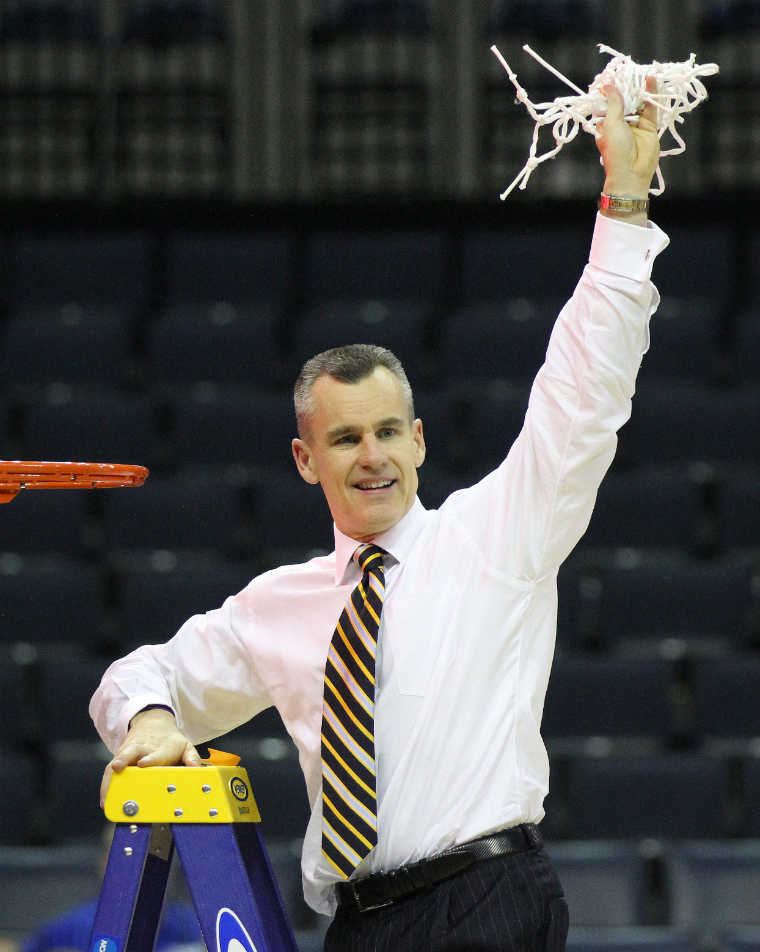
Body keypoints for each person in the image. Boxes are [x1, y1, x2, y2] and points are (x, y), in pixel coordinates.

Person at [90, 78, 668, 951]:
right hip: (358, 926)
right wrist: (152, 721)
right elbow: (136, 675)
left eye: (390, 431)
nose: (372, 456)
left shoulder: (495, 535)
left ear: (421, 441)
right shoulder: (277, 605)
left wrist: (624, 205)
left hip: (488, 901)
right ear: (305, 458)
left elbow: (583, 394)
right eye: (348, 436)